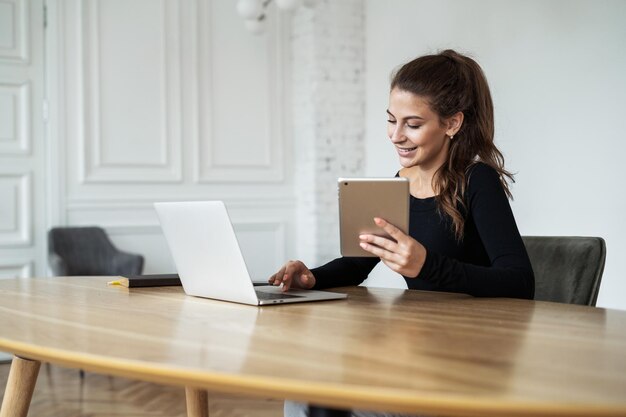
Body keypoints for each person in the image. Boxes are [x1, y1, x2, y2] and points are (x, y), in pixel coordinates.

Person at [271, 49, 535, 416]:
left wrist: (427, 265)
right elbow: (359, 261)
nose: (396, 136)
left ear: (452, 123)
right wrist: (312, 276)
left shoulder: (478, 181)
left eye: (412, 124)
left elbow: (520, 282)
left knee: (353, 403)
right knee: (305, 392)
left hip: (469, 356)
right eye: (391, 120)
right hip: (418, 344)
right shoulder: (399, 184)